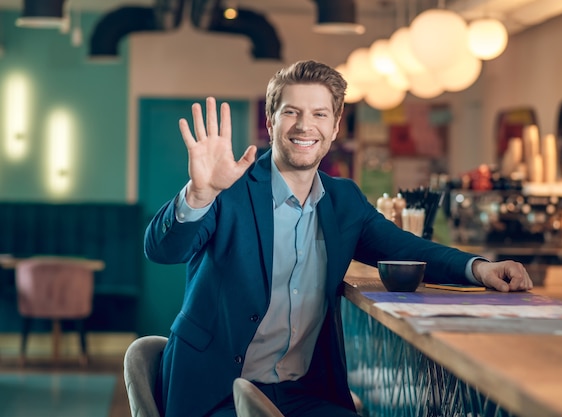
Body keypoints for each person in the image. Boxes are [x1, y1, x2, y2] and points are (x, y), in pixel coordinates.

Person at [144, 59, 533, 417]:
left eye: (318, 114)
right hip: (214, 392)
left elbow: (406, 248)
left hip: (300, 392)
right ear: (271, 119)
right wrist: (199, 194)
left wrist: (479, 268)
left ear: (335, 125)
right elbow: (163, 249)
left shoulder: (344, 200)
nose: (304, 125)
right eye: (291, 112)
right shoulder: (228, 186)